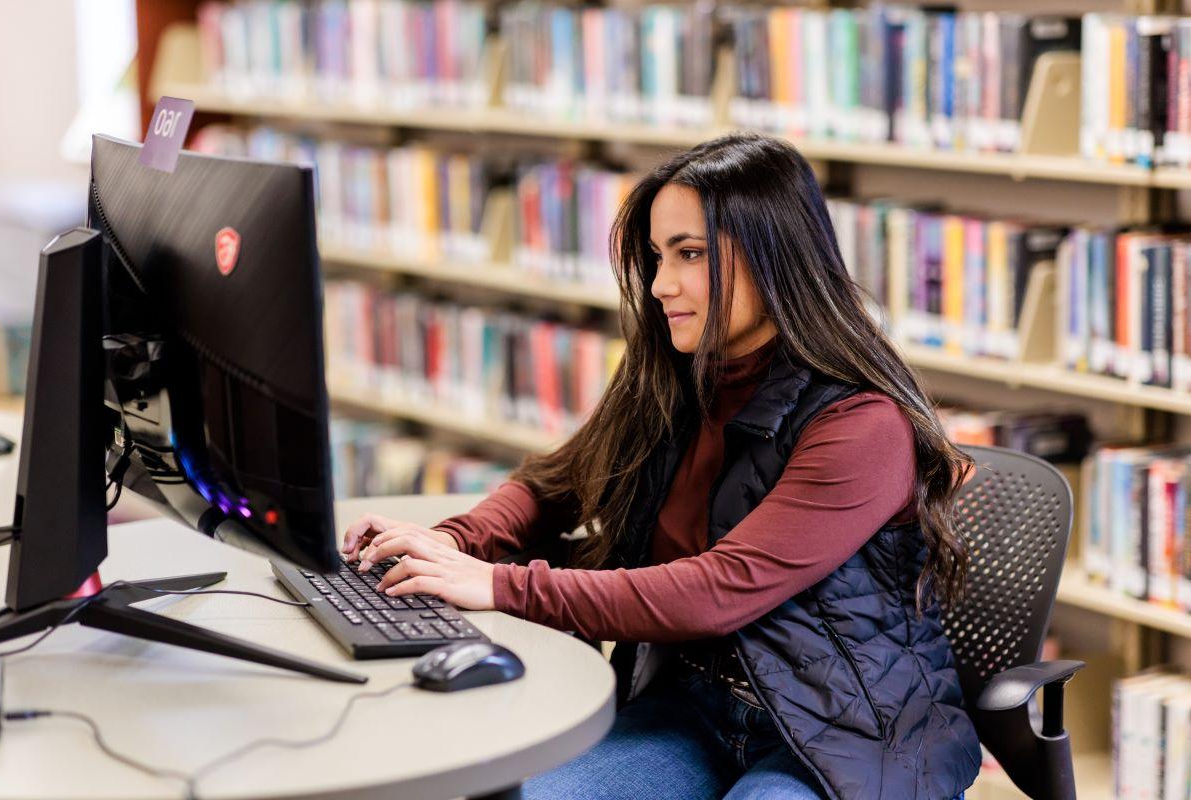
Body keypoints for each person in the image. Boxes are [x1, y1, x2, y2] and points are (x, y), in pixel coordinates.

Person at [340, 132, 979, 799]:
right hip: (691, 710)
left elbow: (719, 590)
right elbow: (553, 484)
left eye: (691, 255)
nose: (661, 284)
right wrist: (452, 544)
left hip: (843, 738)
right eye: (655, 256)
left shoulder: (860, 424)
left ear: (775, 260)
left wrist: (499, 586)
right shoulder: (675, 376)